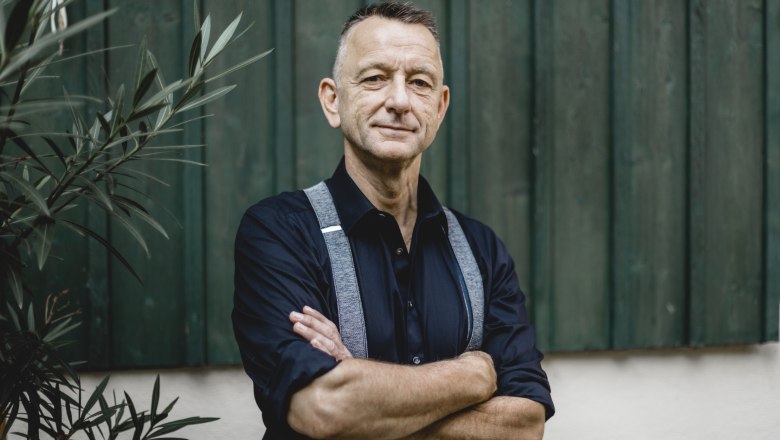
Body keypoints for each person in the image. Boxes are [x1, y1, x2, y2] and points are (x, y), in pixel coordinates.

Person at [233, 2, 554, 439]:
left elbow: (524, 426)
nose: (400, 101)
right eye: (375, 78)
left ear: (439, 108)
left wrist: (362, 389)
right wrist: (474, 376)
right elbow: (326, 411)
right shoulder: (280, 233)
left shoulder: (482, 250)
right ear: (333, 100)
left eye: (419, 82)